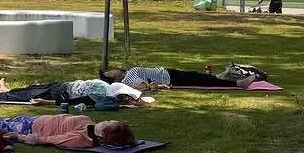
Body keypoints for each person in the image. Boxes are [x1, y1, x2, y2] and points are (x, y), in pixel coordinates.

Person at [0, 108, 136, 149]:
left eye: (108, 123)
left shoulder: (81, 139)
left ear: (103, 134)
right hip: (32, 120)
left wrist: (19, 137)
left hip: (28, 128)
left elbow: (49, 140)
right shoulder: (89, 123)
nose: (105, 120)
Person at [0, 77, 151, 107]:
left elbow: (74, 103)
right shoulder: (105, 88)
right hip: (61, 86)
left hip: (58, 95)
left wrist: (46, 103)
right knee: (29, 89)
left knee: (23, 96)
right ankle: (4, 89)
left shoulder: (101, 97)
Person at [103, 65, 257, 89]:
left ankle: (223, 77)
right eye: (110, 73)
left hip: (167, 72)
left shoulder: (128, 71)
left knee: (198, 76)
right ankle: (238, 84)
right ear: (115, 79)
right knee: (202, 81)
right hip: (169, 79)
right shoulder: (127, 79)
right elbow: (144, 85)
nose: (113, 70)